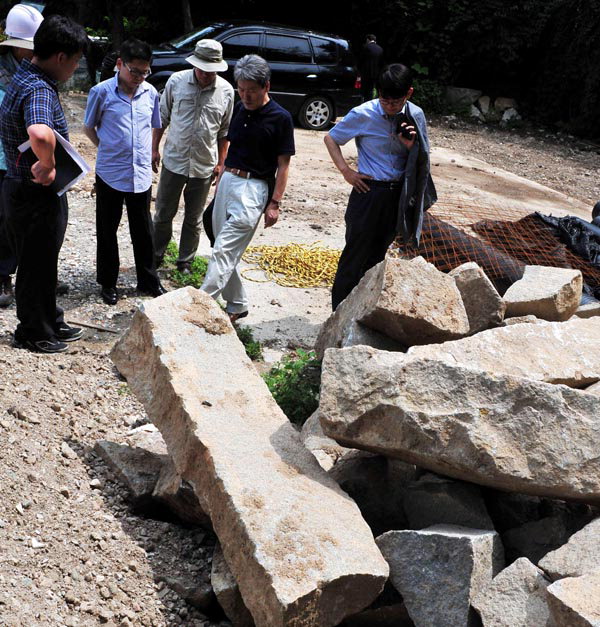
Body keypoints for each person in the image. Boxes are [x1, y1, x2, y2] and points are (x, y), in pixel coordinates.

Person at [0, 15, 88, 353]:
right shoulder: (38, 88)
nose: (75, 69)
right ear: (61, 58)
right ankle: (33, 331)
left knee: (43, 260)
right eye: (76, 61)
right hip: (33, 193)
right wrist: (49, 165)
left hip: (22, 189)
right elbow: (39, 132)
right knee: (36, 264)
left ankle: (50, 317)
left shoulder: (23, 75)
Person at [324, 63, 437, 310]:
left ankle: (362, 313)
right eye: (384, 101)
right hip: (368, 192)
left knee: (377, 258)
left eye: (395, 103)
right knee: (354, 255)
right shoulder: (363, 113)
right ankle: (338, 315)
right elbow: (331, 138)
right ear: (378, 93)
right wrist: (347, 172)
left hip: (396, 194)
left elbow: (422, 161)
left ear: (409, 93)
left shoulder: (415, 116)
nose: (390, 107)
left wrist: (410, 147)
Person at [200, 54, 294, 322]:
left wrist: (275, 203)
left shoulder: (281, 118)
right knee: (222, 247)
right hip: (228, 181)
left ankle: (198, 305)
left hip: (254, 188)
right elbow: (230, 144)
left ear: (266, 86)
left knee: (223, 251)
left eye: (251, 90)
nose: (245, 95)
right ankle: (237, 304)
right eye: (241, 89)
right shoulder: (239, 108)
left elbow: (284, 166)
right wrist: (221, 176)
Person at [83, 38, 166, 306]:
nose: (139, 77)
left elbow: (154, 126)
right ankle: (108, 283)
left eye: (145, 72)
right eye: (135, 71)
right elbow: (88, 128)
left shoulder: (151, 93)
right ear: (120, 64)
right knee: (107, 230)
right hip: (110, 173)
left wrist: (150, 151)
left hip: (140, 174)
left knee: (143, 230)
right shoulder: (101, 92)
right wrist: (106, 148)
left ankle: (148, 280)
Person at [152, 39, 234, 274]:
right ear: (194, 64)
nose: (207, 75)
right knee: (163, 213)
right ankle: (155, 255)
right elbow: (162, 117)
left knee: (194, 217)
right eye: (203, 69)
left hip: (204, 165)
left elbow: (224, 132)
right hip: (174, 160)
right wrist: (154, 148)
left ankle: (185, 260)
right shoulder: (176, 81)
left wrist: (221, 162)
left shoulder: (226, 91)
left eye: (212, 71)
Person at [0, 4, 44, 308]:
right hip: (1, 158)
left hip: (24, 158)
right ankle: (3, 275)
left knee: (28, 220)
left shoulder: (33, 70)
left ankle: (32, 274)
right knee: (3, 219)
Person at [360, 34, 383, 102]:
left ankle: (366, 102)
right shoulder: (380, 49)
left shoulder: (365, 47)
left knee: (367, 90)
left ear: (368, 39)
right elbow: (381, 63)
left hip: (366, 73)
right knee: (376, 88)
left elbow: (361, 60)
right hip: (377, 73)